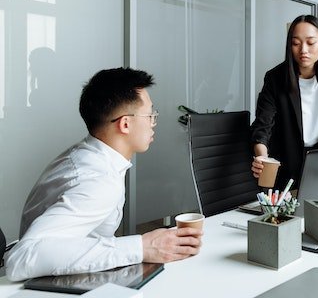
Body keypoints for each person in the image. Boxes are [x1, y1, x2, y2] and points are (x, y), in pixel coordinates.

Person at [5, 68, 202, 281]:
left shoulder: (86, 155)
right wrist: (142, 247)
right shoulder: (99, 180)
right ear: (125, 124)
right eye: (150, 115)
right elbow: (22, 258)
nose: (153, 123)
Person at [250, 14, 318, 190]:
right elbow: (262, 126)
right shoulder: (275, 78)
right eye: (295, 43)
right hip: (284, 160)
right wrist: (262, 157)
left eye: (311, 43)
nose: (303, 50)